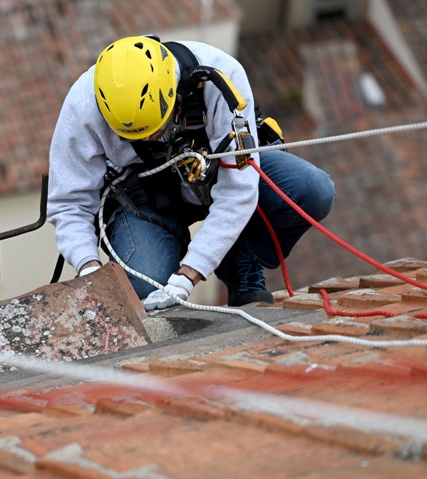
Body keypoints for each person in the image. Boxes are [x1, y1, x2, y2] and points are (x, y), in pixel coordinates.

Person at [46, 35, 335, 309]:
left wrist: (190, 273)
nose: (149, 140)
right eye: (137, 137)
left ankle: (238, 258)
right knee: (144, 289)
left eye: (155, 129)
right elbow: (69, 204)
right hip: (145, 199)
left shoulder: (221, 78)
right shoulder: (82, 107)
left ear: (172, 93)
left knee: (312, 190)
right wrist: (88, 267)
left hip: (221, 171)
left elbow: (238, 188)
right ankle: (174, 246)